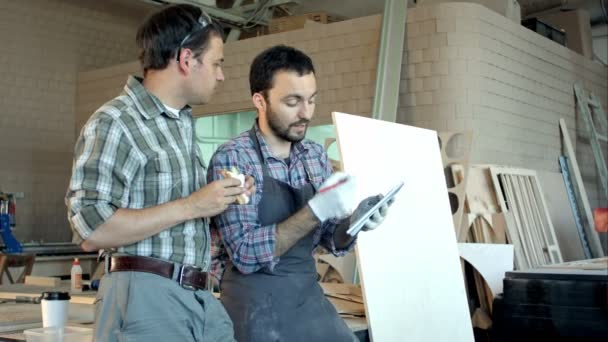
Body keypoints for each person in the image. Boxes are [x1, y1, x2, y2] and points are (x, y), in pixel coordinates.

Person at [65, 4, 254, 341]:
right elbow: (91, 228)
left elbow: (177, 218)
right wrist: (193, 205)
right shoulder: (116, 122)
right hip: (144, 296)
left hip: (196, 295)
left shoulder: (181, 123)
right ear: (186, 60)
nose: (221, 75)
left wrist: (221, 198)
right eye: (216, 63)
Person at [207, 45, 391, 342]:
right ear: (260, 100)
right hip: (254, 307)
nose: (305, 113)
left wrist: (356, 222)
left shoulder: (313, 155)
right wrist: (316, 210)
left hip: (306, 297)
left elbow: (330, 237)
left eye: (311, 100)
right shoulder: (233, 158)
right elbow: (243, 253)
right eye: (293, 102)